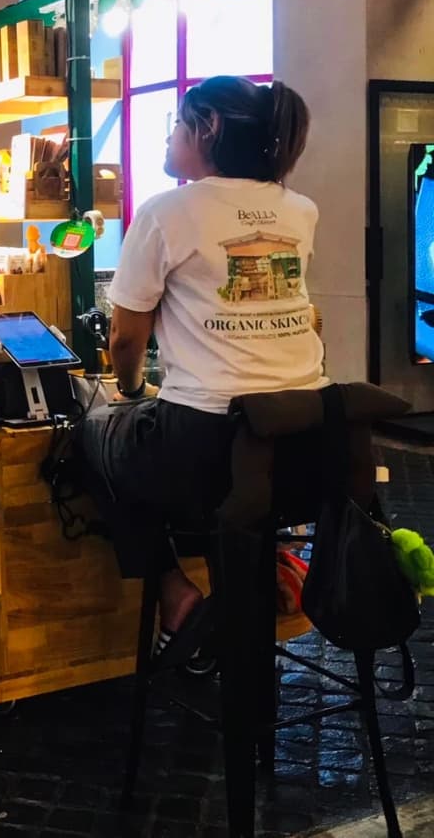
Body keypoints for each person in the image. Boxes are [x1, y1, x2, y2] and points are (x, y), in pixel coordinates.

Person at [76, 75, 323, 668]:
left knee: (91, 435)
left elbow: (125, 336)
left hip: (206, 445)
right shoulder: (300, 209)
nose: (168, 135)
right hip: (308, 444)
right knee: (222, 490)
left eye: (178, 122)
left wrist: (131, 392)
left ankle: (173, 591)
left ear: (206, 128)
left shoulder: (167, 212)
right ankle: (251, 570)